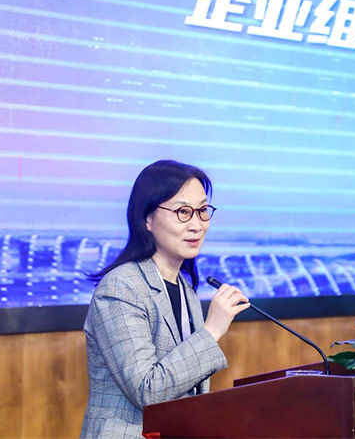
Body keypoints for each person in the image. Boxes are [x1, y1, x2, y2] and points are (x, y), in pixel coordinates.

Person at [80, 160, 250, 439]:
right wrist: (211, 331)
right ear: (146, 219)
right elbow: (147, 391)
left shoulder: (186, 288)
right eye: (183, 212)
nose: (197, 225)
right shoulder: (122, 286)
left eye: (202, 211)